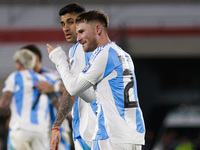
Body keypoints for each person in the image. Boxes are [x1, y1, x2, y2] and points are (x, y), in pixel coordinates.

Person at [47, 10, 146, 150]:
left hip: (111, 135)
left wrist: (60, 61)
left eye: (81, 32)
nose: (78, 38)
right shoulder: (123, 54)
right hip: (132, 134)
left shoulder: (103, 54)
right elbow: (94, 96)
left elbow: (72, 88)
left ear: (98, 29)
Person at [50, 3, 98, 150]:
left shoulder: (82, 49)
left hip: (94, 131)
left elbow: (73, 90)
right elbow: (72, 90)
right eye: (63, 24)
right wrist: (56, 127)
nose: (65, 28)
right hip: (88, 130)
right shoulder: (77, 50)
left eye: (71, 22)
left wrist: (59, 61)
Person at [20, 44, 71, 150]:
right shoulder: (21, 79)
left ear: (36, 58)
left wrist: (53, 88)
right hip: (34, 133)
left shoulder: (50, 75)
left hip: (57, 133)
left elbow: (70, 88)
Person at [0, 49, 50, 150]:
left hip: (20, 129)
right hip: (41, 131)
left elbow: (3, 104)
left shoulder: (15, 77)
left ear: (18, 64)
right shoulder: (44, 80)